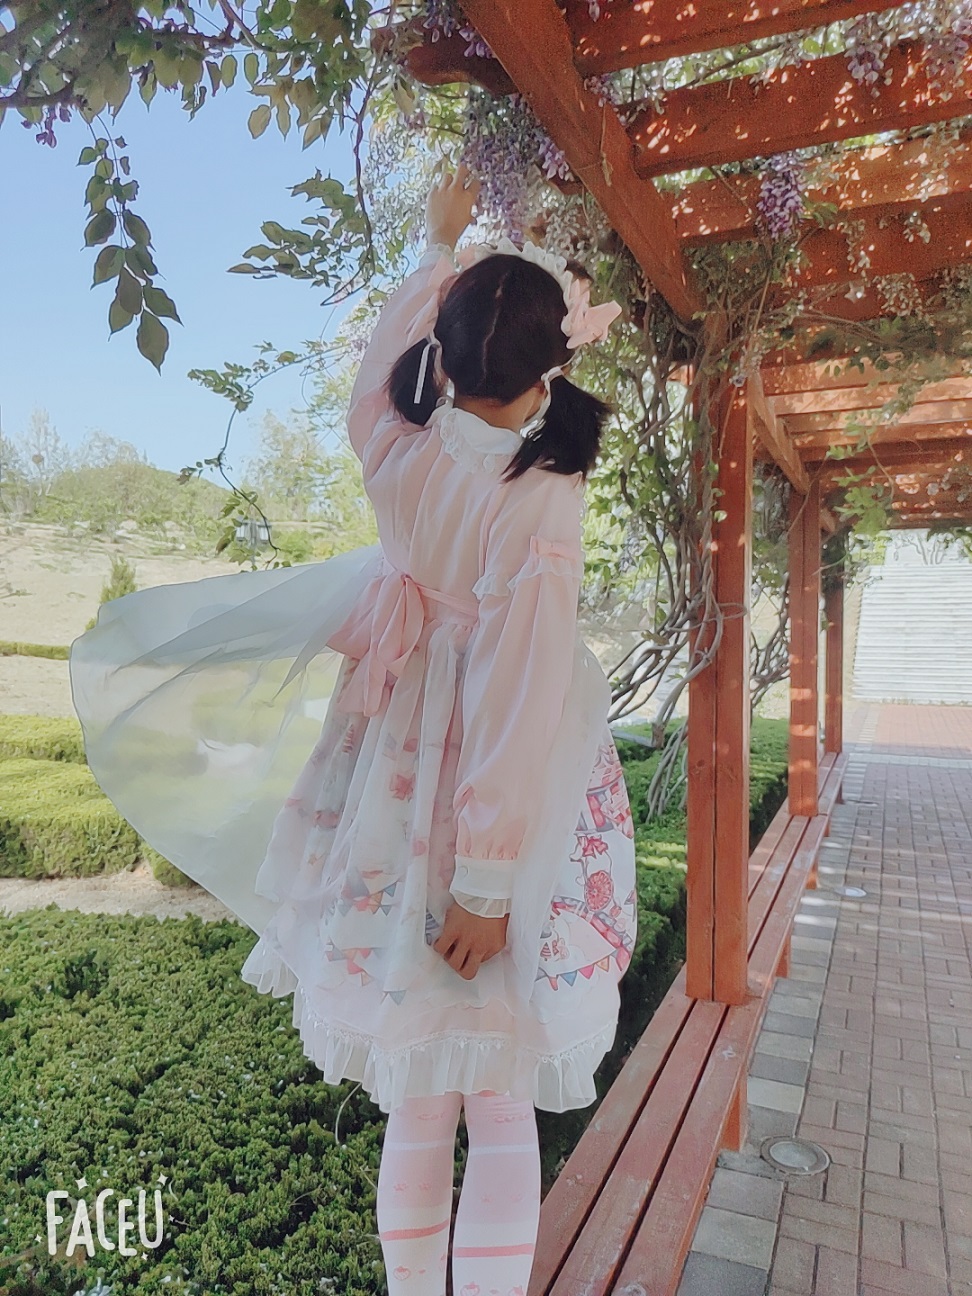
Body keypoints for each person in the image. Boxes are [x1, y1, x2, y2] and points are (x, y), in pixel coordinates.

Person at [69, 162, 637, 1296]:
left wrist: (436, 247)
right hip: (492, 806)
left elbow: (380, 373)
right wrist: (487, 884)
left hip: (390, 776)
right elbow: (518, 694)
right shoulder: (539, 494)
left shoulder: (396, 447)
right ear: (550, 372)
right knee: (499, 1095)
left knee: (421, 1092)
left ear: (446, 361)